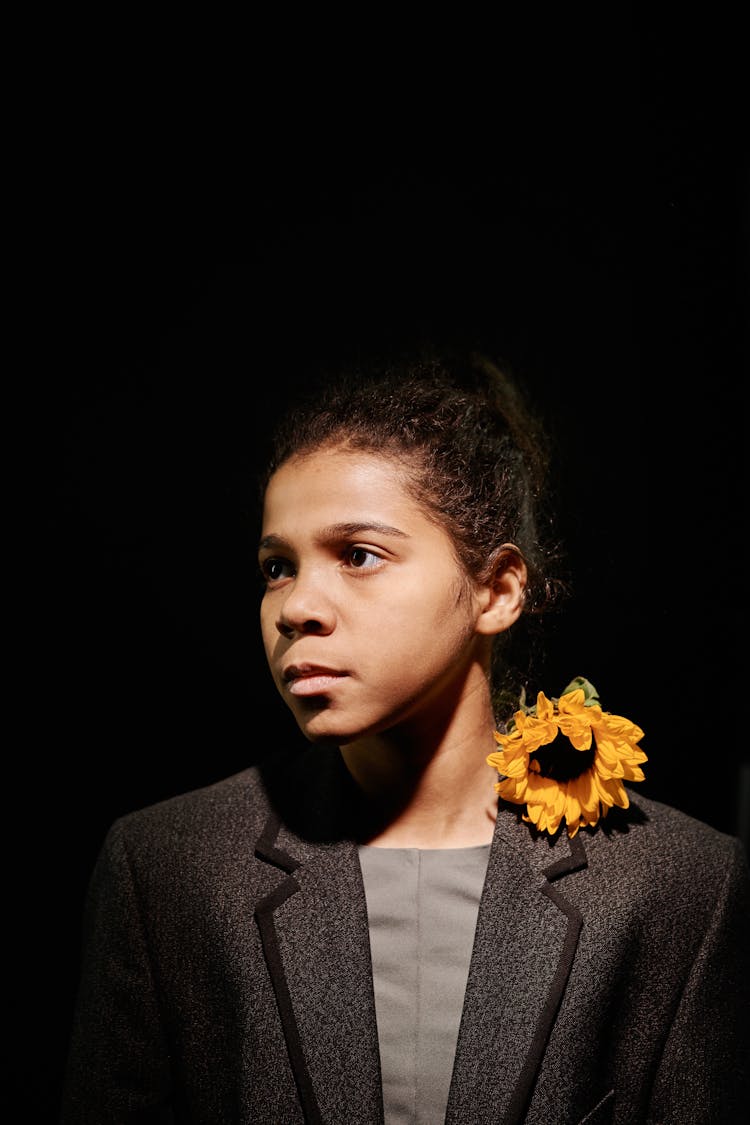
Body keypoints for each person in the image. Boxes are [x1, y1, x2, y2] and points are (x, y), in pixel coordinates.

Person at [61, 348, 750, 1124]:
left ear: (496, 590)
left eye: (358, 555)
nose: (295, 607)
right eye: (276, 566)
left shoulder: (679, 885)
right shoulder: (168, 870)